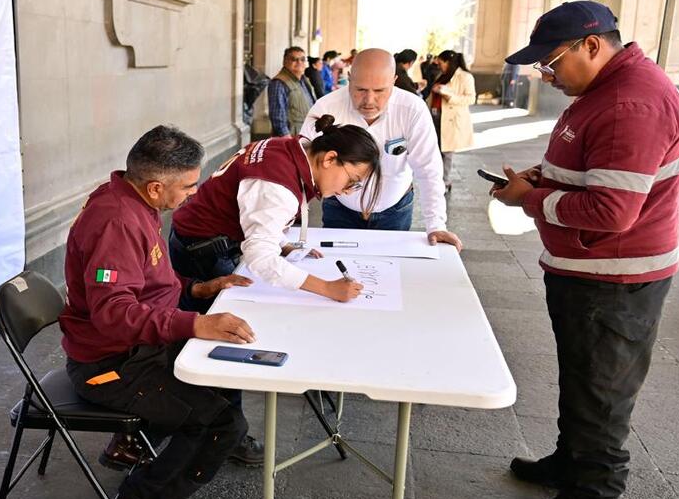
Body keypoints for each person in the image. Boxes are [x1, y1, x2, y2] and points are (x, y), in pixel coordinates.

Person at [492, 1, 679, 499]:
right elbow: (592, 170)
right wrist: (540, 177)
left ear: (592, 45)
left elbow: (611, 211)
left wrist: (532, 200)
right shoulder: (603, 90)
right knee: (582, 376)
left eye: (551, 63)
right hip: (589, 272)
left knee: (602, 388)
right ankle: (570, 463)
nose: (546, 76)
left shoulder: (632, 103)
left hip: (616, 280)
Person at [60, 125, 256, 499]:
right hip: (109, 364)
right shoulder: (117, 220)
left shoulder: (133, 201)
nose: (193, 193)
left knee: (223, 380)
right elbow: (114, 314)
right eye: (188, 186)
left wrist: (201, 289)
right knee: (222, 425)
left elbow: (149, 286)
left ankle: (132, 439)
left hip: (136, 346)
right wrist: (195, 324)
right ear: (155, 186)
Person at [168, 117, 378, 309]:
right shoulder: (277, 186)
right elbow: (260, 257)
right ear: (330, 159)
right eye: (352, 180)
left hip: (203, 235)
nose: (347, 190)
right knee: (207, 321)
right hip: (201, 250)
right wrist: (327, 288)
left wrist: (280, 243)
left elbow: (258, 208)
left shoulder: (288, 148)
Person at [299, 49, 462, 249]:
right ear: (349, 78)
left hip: (395, 210)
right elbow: (301, 164)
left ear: (394, 81)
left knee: (391, 272)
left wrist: (436, 224)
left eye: (379, 91)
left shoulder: (413, 109)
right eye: (360, 90)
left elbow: (428, 169)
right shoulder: (326, 107)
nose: (369, 100)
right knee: (335, 268)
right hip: (340, 208)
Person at [428, 49, 475, 193]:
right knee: (435, 150)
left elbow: (470, 98)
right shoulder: (442, 75)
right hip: (436, 115)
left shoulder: (465, 77)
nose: (439, 65)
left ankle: (445, 181)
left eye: (441, 62)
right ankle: (437, 179)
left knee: (447, 152)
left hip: (450, 119)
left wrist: (449, 96)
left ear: (448, 62)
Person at [266, 46, 317, 137]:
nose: (299, 62)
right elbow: (277, 118)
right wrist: (288, 141)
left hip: (304, 134)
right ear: (285, 61)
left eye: (302, 59)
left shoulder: (303, 80)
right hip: (291, 139)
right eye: (294, 59)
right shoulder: (279, 83)